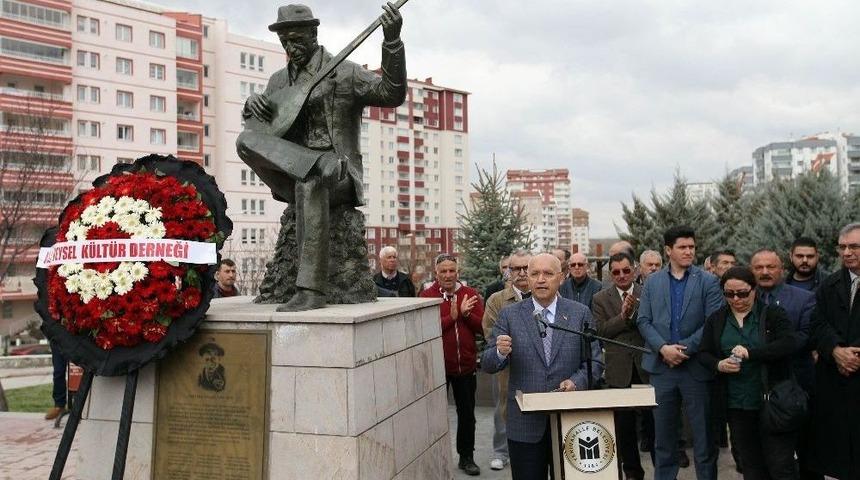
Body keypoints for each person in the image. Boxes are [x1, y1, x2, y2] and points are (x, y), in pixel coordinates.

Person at [236, 3, 407, 311]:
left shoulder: (344, 72)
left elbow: (391, 93)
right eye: (285, 39)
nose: (291, 45)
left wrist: (391, 41)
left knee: (312, 184)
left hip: (339, 174)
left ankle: (310, 291)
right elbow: (269, 131)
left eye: (297, 38)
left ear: (313, 34)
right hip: (292, 172)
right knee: (245, 142)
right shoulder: (277, 81)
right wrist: (252, 106)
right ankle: (314, 164)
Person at [482, 253, 603, 479]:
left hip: (569, 422)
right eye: (534, 274)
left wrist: (577, 382)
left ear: (561, 277)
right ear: (527, 278)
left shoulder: (579, 314)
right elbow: (488, 362)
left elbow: (594, 361)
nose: (540, 279)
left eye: (548, 274)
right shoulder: (509, 315)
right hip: (525, 424)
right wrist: (499, 352)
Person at [637, 225, 723, 480]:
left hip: (695, 369)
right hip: (661, 370)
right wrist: (663, 348)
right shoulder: (653, 282)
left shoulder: (708, 281)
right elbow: (643, 321)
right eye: (682, 247)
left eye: (692, 247)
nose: (688, 251)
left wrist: (682, 349)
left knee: (703, 441)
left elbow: (712, 322)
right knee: (663, 441)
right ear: (668, 250)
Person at [697, 266, 798, 480]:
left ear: (754, 290)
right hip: (736, 404)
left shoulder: (772, 314)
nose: (736, 299)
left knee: (780, 464)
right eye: (729, 294)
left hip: (771, 402)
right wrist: (719, 364)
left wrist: (751, 353)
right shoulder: (717, 319)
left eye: (742, 293)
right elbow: (703, 353)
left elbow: (788, 344)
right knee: (750, 464)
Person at [419, 253, 484, 475]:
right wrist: (452, 318)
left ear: (458, 272)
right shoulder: (427, 297)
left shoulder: (470, 294)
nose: (448, 275)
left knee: (467, 415)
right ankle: (433, 459)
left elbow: (482, 328)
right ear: (436, 274)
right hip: (438, 368)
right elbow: (424, 330)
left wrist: (465, 315)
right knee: (434, 416)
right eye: (443, 271)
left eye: (451, 270)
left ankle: (467, 458)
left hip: (465, 367)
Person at [592, 252, 653, 479]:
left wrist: (633, 313)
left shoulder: (646, 293)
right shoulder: (600, 298)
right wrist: (623, 316)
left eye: (626, 270)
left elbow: (654, 324)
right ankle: (633, 472)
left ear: (635, 270)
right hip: (619, 372)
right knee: (625, 429)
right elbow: (601, 332)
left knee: (654, 425)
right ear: (610, 274)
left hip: (646, 368)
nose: (621, 275)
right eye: (616, 272)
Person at [808, 223, 860, 480]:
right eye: (843, 247)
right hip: (836, 384)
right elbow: (817, 324)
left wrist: (854, 357)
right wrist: (836, 351)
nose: (847, 252)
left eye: (854, 246)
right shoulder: (830, 285)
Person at [481, 249, 532, 472]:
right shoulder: (497, 300)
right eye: (516, 269)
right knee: (505, 409)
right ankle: (502, 452)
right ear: (508, 272)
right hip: (507, 369)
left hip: (543, 370)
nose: (521, 273)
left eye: (526, 268)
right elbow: (491, 334)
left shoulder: (546, 295)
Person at [44, 342, 68, 420]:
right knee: (58, 372)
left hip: (77, 336)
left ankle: (80, 406)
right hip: (58, 337)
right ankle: (59, 406)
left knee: (79, 371)